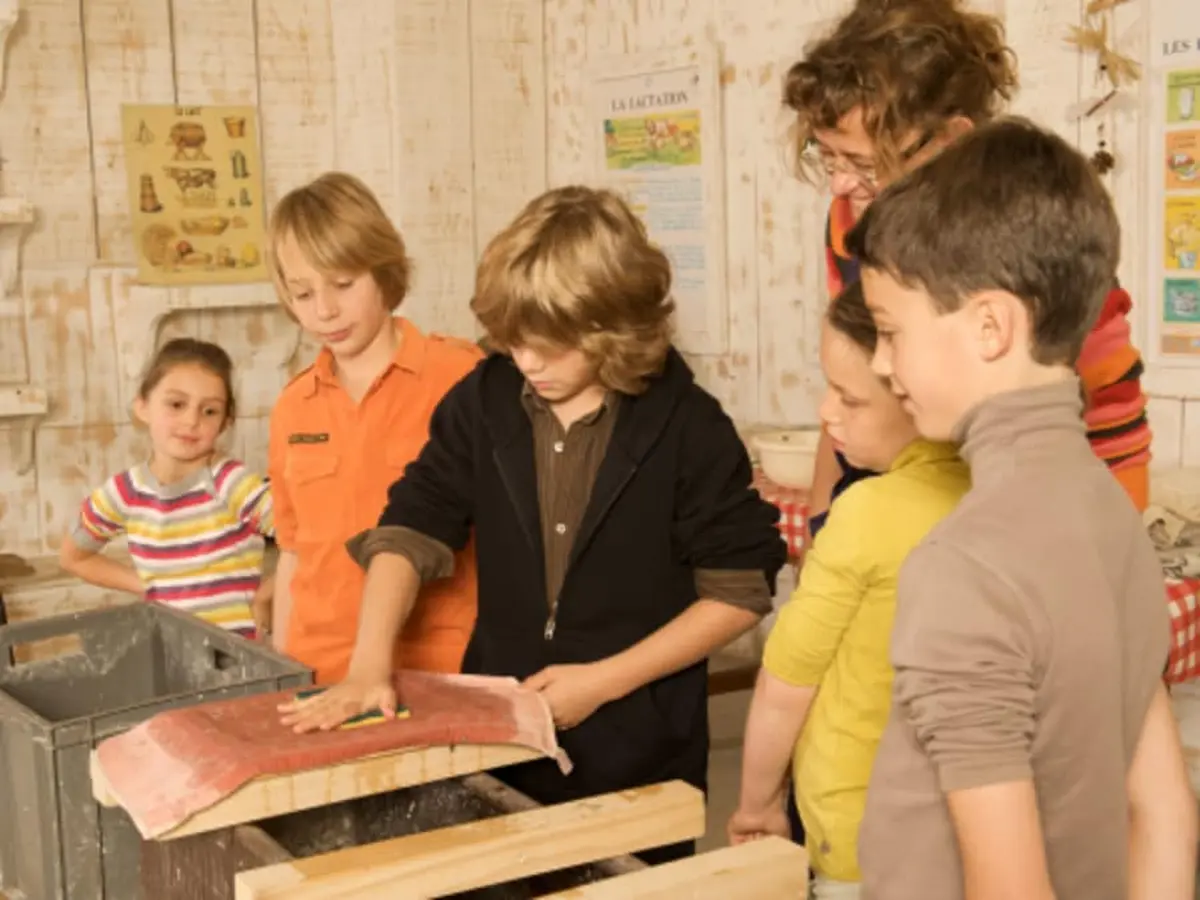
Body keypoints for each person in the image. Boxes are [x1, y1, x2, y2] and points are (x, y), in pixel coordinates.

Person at [280, 184, 788, 864]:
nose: (527, 363)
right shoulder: (486, 400)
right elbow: (410, 524)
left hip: (639, 750)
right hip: (503, 738)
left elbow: (738, 590)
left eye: (548, 347)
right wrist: (370, 665)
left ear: (614, 328)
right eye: (514, 342)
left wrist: (602, 681)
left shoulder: (691, 428)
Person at [851, 116, 1195, 900]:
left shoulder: (962, 567)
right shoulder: (1112, 515)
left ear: (989, 325)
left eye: (888, 331)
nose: (881, 362)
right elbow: (1166, 815)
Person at [785, 0, 1150, 538]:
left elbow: (1108, 424)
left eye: (864, 163)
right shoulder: (852, 218)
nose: (840, 184)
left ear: (950, 138)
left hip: (1051, 497)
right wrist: (822, 517)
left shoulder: (1030, 238)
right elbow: (855, 375)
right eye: (828, 156)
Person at [727, 282, 968, 899]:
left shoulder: (864, 513)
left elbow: (785, 687)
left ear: (915, 395)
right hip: (968, 824)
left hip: (858, 830)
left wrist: (758, 803)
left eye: (850, 398)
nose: (825, 410)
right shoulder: (999, 496)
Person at [264, 171, 481, 684]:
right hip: (321, 672)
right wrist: (279, 667)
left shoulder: (461, 378)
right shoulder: (294, 405)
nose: (325, 310)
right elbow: (292, 554)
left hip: (442, 668)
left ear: (384, 271)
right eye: (302, 294)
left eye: (343, 284)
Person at [60, 338, 273, 637]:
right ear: (143, 407)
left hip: (240, 665)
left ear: (225, 422)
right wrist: (148, 584)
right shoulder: (124, 493)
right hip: (171, 658)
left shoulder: (231, 483)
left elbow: (312, 540)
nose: (191, 420)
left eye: (209, 411)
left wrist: (265, 596)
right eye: (176, 404)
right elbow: (73, 557)